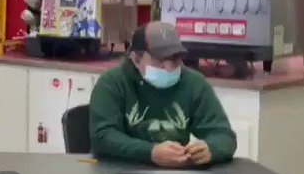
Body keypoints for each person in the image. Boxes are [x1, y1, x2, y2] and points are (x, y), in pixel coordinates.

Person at [89, 22, 237, 166]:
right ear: (135, 59)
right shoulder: (113, 82)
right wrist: (150, 152)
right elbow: (102, 136)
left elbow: (224, 135)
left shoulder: (193, 83)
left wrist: (210, 149)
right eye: (159, 60)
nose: (169, 67)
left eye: (175, 58)